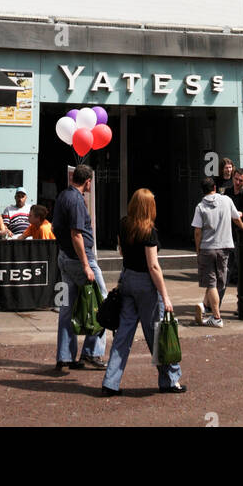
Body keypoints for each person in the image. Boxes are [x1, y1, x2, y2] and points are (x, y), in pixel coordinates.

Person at [102, 189, 185, 396]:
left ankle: (110, 382)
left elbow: (121, 251)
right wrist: (165, 295)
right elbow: (153, 266)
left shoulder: (123, 224)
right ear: (149, 207)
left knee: (123, 334)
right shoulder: (149, 231)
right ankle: (169, 380)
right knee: (157, 333)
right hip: (145, 285)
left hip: (127, 279)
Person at [51, 165, 107, 372]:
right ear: (88, 181)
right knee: (102, 302)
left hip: (65, 257)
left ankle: (64, 356)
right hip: (79, 259)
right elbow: (77, 234)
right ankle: (92, 352)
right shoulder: (75, 200)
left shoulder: (63, 196)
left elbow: (58, 228)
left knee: (67, 308)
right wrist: (86, 264)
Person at [192, 175, 243, 327]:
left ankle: (216, 316)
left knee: (211, 283)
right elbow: (236, 217)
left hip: (207, 247)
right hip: (225, 246)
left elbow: (198, 231)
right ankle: (207, 306)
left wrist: (198, 249)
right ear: (214, 188)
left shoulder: (200, 207)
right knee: (220, 282)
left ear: (202, 191)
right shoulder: (226, 200)